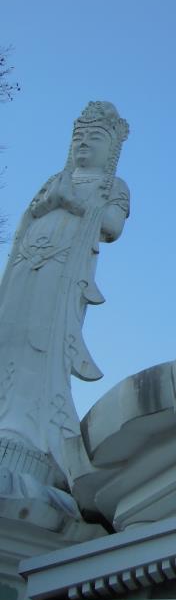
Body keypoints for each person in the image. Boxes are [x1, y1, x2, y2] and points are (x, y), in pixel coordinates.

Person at [0, 101, 129, 481]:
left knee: (40, 337)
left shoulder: (112, 185)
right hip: (26, 264)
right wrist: (49, 201)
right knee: (9, 332)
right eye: (78, 137)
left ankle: (29, 422)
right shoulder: (54, 179)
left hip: (62, 272)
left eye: (94, 137)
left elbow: (112, 226)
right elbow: (30, 214)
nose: (83, 144)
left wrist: (70, 201)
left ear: (111, 149)